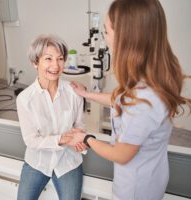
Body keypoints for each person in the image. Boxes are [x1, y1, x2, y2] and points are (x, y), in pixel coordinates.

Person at [66, 0, 191, 200]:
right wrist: (87, 94)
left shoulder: (143, 101)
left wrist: (86, 139)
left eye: (106, 32)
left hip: (136, 189)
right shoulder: (156, 74)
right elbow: (123, 99)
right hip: (153, 173)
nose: (104, 37)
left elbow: (121, 155)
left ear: (126, 39)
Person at [16, 34, 85, 200]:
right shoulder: (25, 99)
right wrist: (61, 139)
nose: (56, 65)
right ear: (35, 62)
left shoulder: (74, 92)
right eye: (48, 59)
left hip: (68, 161)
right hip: (37, 161)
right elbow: (31, 140)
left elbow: (80, 125)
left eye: (60, 59)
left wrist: (80, 139)